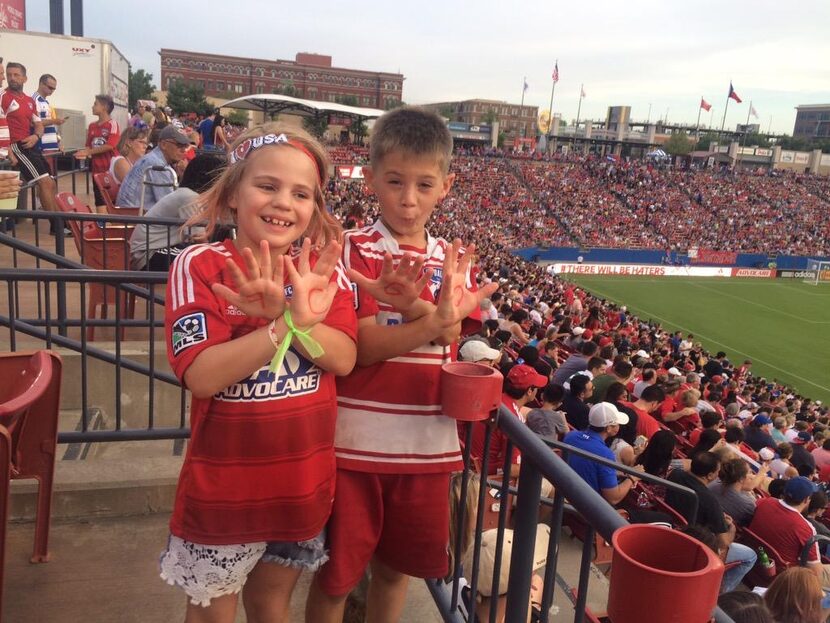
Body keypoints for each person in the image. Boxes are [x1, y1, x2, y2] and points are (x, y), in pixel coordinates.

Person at [158, 124, 358, 621]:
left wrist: (292, 313)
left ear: (315, 208)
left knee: (273, 606)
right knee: (213, 612)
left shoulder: (323, 273)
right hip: (225, 493)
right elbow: (202, 375)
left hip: (302, 488)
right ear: (232, 194)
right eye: (267, 186)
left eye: (301, 193)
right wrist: (282, 324)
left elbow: (344, 357)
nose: (284, 203)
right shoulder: (199, 264)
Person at [307, 107, 496, 623]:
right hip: (353, 444)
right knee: (337, 576)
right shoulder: (351, 250)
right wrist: (433, 320)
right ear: (370, 180)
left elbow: (455, 329)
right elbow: (361, 346)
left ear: (446, 186)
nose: (408, 199)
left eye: (423, 184)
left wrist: (420, 312)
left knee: (396, 573)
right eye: (394, 181)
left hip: (428, 448)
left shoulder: (451, 260)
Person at [665, 452, 756, 592]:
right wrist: (731, 528)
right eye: (717, 471)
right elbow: (724, 543)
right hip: (693, 541)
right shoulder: (710, 501)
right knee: (751, 555)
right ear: (710, 475)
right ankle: (714, 592)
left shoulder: (675, 474)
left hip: (671, 525)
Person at [130, 153, 225, 270]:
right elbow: (198, 239)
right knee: (197, 261)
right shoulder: (189, 197)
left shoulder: (189, 194)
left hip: (153, 248)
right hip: (147, 253)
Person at [1, 62, 60, 227]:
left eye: (16, 75)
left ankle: (60, 221)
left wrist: (36, 136)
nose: (12, 78)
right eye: (9, 74)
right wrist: (8, 149)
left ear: (24, 78)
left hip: (31, 145)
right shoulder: (3, 97)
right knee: (45, 183)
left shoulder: (28, 100)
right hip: (18, 147)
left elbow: (38, 123)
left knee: (51, 183)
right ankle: (57, 226)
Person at [462, 525, 549, 623]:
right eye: (531, 570)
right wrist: (525, 593)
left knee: (537, 580)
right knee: (538, 584)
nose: (534, 571)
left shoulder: (462, 592)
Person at [749, 477, 829, 583]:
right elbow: (816, 571)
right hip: (784, 578)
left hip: (755, 562)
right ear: (806, 500)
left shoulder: (764, 502)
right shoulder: (805, 528)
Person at [564, 402, 643, 505]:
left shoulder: (571, 435)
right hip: (585, 506)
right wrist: (633, 477)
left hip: (566, 494)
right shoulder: (605, 454)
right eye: (616, 424)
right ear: (609, 428)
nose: (618, 426)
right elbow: (613, 498)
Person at [117, 125, 187, 211]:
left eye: (185, 146)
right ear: (163, 145)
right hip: (135, 220)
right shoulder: (156, 164)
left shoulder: (154, 159)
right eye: (179, 145)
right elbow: (170, 206)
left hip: (134, 216)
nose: (184, 150)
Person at [74, 94, 120, 211]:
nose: (92, 107)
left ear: (104, 107)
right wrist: (82, 154)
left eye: (95, 104)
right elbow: (88, 147)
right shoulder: (92, 126)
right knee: (100, 202)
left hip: (110, 172)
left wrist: (89, 151)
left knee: (113, 203)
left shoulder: (112, 124)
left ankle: (112, 227)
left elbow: (110, 145)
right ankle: (102, 227)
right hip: (96, 172)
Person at [708, 458, 757, 527]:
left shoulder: (713, 482)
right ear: (741, 479)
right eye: (750, 472)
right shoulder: (748, 504)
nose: (752, 476)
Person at [31, 73, 65, 153]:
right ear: (41, 84)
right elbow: (34, 122)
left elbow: (50, 125)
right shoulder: (34, 99)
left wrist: (57, 143)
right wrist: (54, 121)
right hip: (41, 147)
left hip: (49, 147)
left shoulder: (45, 102)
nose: (52, 91)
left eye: (54, 89)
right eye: (50, 88)